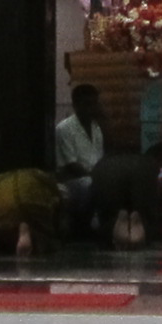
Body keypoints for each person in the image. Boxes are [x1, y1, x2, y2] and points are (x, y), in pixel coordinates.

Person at [51, 82, 108, 240]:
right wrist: (97, 178)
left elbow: (100, 158)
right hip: (71, 181)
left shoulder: (97, 128)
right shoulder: (64, 129)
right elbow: (71, 165)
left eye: (94, 104)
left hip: (93, 177)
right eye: (87, 104)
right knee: (89, 184)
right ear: (76, 105)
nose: (92, 108)